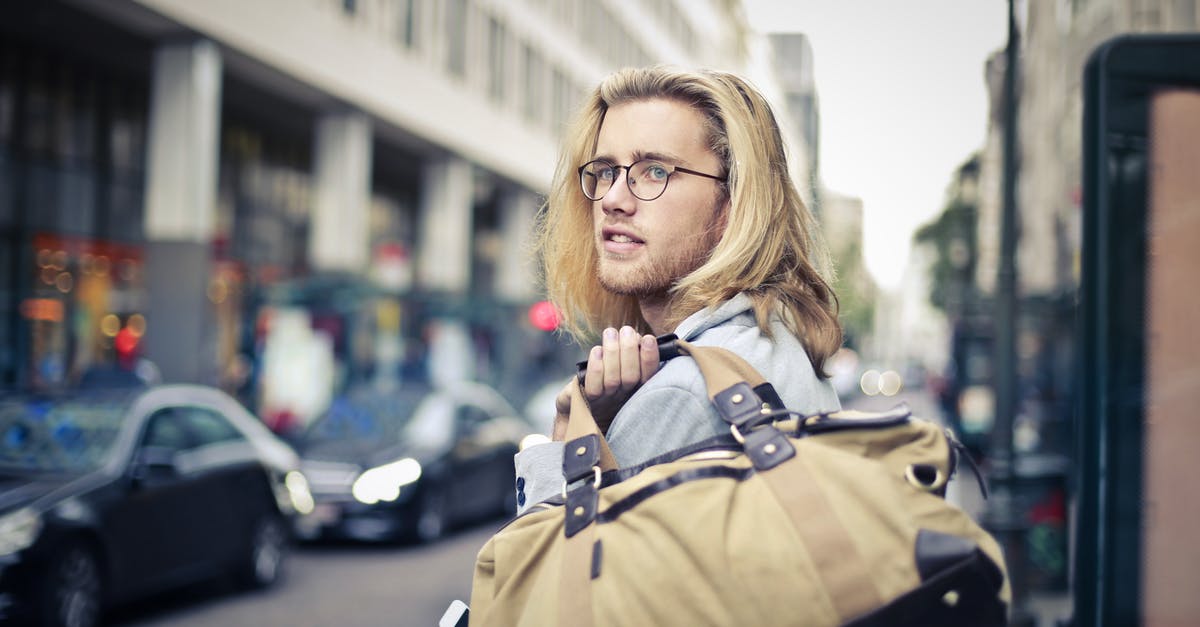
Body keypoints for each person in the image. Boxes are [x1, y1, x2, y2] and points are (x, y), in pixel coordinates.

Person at [514, 66, 843, 513]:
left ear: (733, 202)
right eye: (606, 170)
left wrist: (567, 433)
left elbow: (551, 575)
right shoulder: (773, 344)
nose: (612, 198)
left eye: (654, 171)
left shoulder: (685, 391)